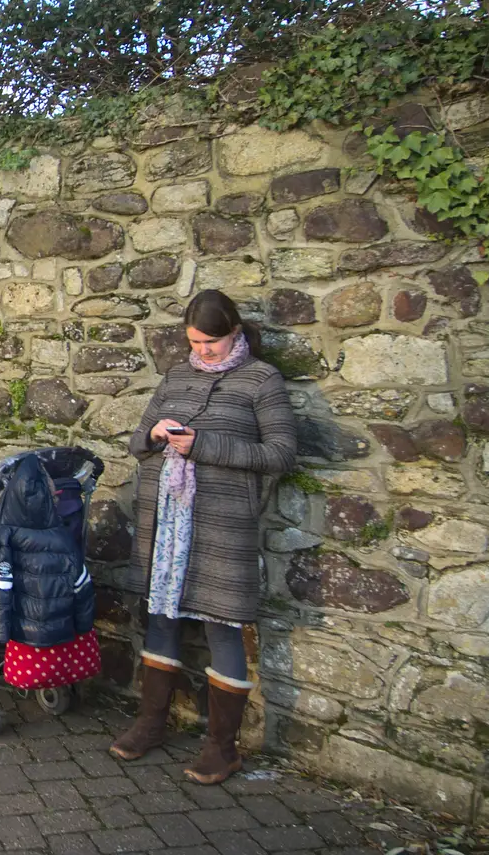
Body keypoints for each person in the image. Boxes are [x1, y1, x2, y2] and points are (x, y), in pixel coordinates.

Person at [107, 290, 297, 785]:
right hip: (166, 522)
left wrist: (205, 445)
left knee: (222, 625)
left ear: (234, 331)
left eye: (212, 342)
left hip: (220, 526)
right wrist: (154, 436)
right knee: (162, 619)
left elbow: (280, 454)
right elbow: (136, 441)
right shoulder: (177, 375)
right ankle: (151, 724)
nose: (204, 351)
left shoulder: (261, 380)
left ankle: (222, 747)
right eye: (195, 342)